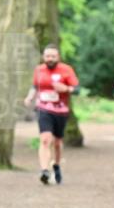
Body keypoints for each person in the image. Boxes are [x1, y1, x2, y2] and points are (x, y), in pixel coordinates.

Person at [23, 44, 79, 185]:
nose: (50, 59)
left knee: (58, 143)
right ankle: (44, 170)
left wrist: (65, 88)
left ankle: (57, 165)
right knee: (45, 139)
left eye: (53, 56)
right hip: (44, 109)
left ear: (58, 57)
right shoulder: (39, 70)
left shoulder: (66, 70)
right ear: (44, 57)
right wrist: (30, 97)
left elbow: (77, 89)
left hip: (61, 111)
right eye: (48, 56)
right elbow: (35, 86)